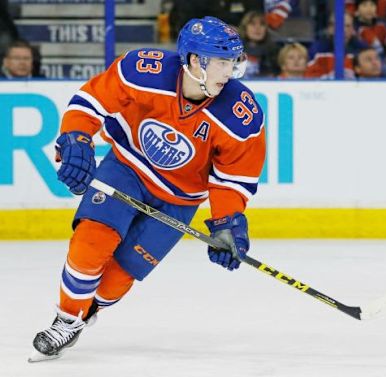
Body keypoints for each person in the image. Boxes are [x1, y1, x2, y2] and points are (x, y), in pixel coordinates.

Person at [29, 16, 266, 362]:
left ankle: (87, 310)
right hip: (128, 166)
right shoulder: (143, 70)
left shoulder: (240, 113)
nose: (228, 72)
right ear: (194, 60)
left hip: (180, 199)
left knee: (119, 276)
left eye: (232, 62)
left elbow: (232, 179)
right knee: (93, 239)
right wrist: (78, 138)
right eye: (221, 62)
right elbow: (90, 102)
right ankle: (66, 319)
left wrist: (229, 222)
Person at [238, 11, 280, 78]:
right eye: (252, 24)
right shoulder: (233, 52)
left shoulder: (275, 52)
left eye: (262, 24)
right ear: (245, 28)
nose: (258, 28)